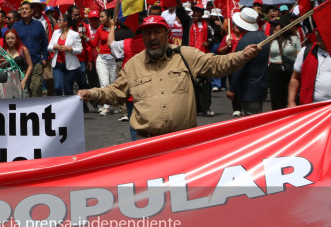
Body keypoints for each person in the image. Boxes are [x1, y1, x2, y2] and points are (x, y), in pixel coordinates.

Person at [78, 15, 261, 138]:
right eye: (147, 33)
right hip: (147, 145)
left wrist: (241, 56)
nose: (152, 37)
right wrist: (91, 94)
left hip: (183, 142)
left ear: (167, 34)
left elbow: (216, 64)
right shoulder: (133, 65)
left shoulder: (186, 55)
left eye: (157, 32)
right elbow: (115, 92)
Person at [228, 9, 268, 115]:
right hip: (261, 86)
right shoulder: (263, 36)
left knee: (251, 121)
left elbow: (239, 67)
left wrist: (232, 88)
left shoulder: (245, 41)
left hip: (248, 88)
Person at [11, 1, 49, 97]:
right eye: (22, 9)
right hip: (21, 64)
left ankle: (37, 110)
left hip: (36, 61)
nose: (24, 11)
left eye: (26, 9)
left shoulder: (38, 25)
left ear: (31, 11)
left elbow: (45, 42)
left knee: (36, 87)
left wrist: (45, 57)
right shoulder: (15, 26)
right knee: (23, 89)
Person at [288, 32, 331, 107]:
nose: (318, 36)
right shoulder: (306, 51)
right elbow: (295, 78)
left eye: (322, 33)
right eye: (318, 33)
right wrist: (291, 101)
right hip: (310, 107)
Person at [267, 18, 300, 110]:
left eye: (276, 25)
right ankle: (278, 117)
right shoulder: (270, 39)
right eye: (272, 25)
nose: (273, 27)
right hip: (274, 69)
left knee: (290, 94)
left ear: (283, 26)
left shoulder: (295, 39)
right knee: (276, 96)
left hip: (290, 69)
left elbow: (298, 56)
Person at [47, 15, 82, 96]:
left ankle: (69, 107)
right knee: (57, 87)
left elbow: (79, 50)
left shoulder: (74, 34)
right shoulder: (56, 32)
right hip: (58, 64)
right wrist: (55, 47)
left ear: (65, 22)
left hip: (70, 65)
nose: (58, 21)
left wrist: (69, 48)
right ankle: (59, 107)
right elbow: (49, 47)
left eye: (60, 20)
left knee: (68, 88)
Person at [90, 8, 116, 115]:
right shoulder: (100, 30)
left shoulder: (116, 29)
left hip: (113, 59)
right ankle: (106, 107)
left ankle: (112, 105)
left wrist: (113, 28)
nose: (100, 19)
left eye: (102, 17)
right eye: (100, 17)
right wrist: (86, 38)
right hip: (102, 59)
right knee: (104, 83)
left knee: (113, 83)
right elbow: (94, 44)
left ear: (109, 18)